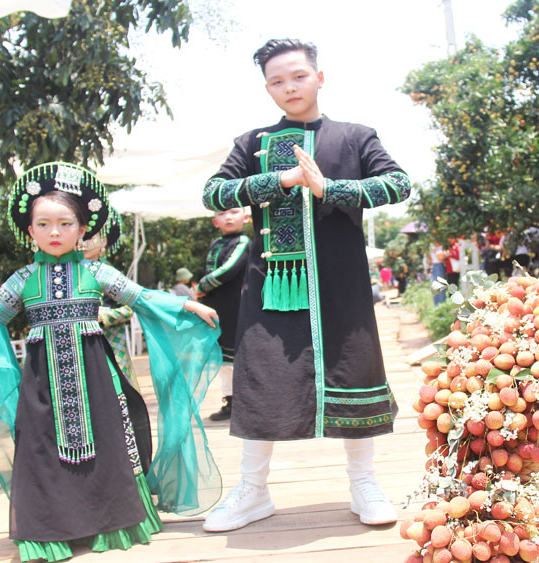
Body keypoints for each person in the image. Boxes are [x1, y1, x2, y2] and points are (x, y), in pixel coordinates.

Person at [0, 163, 222, 562]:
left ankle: (112, 522)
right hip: (40, 383)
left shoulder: (96, 271)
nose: (54, 232)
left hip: (96, 377)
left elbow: (141, 297)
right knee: (39, 449)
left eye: (65, 223)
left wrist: (185, 303)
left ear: (82, 229)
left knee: (108, 440)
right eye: (44, 224)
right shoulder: (22, 280)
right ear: (30, 231)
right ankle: (48, 532)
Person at [200, 38, 410, 533]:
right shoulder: (251, 142)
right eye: (277, 80)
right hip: (271, 284)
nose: (288, 87)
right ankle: (252, 491)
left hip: (342, 281)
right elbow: (213, 192)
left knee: (353, 373)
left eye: (297, 75)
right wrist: (281, 180)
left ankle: (364, 483)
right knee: (262, 377)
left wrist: (328, 189)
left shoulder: (355, 136)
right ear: (267, 88)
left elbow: (399, 183)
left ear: (319, 77)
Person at [198, 206, 251, 422]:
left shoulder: (242, 243)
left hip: (234, 305)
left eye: (234, 212)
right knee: (222, 358)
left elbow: (229, 270)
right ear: (214, 222)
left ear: (246, 218)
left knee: (235, 354)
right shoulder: (216, 244)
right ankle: (230, 400)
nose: (228, 217)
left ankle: (245, 401)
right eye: (221, 214)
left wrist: (203, 284)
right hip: (215, 305)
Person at [83, 210, 140, 391]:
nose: (84, 243)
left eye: (90, 237)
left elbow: (129, 308)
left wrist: (105, 315)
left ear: (104, 242)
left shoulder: (110, 274)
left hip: (110, 342)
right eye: (81, 237)